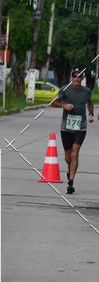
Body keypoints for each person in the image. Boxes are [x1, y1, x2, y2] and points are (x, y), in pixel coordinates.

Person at [50, 66, 94, 194]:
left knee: (75, 154)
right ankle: (70, 168)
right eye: (74, 76)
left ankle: (71, 182)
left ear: (82, 78)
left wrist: (91, 114)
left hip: (81, 127)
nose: (76, 78)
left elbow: (90, 103)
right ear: (71, 77)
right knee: (68, 157)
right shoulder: (65, 89)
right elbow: (52, 102)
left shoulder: (86, 91)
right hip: (66, 128)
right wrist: (64, 105)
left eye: (79, 76)